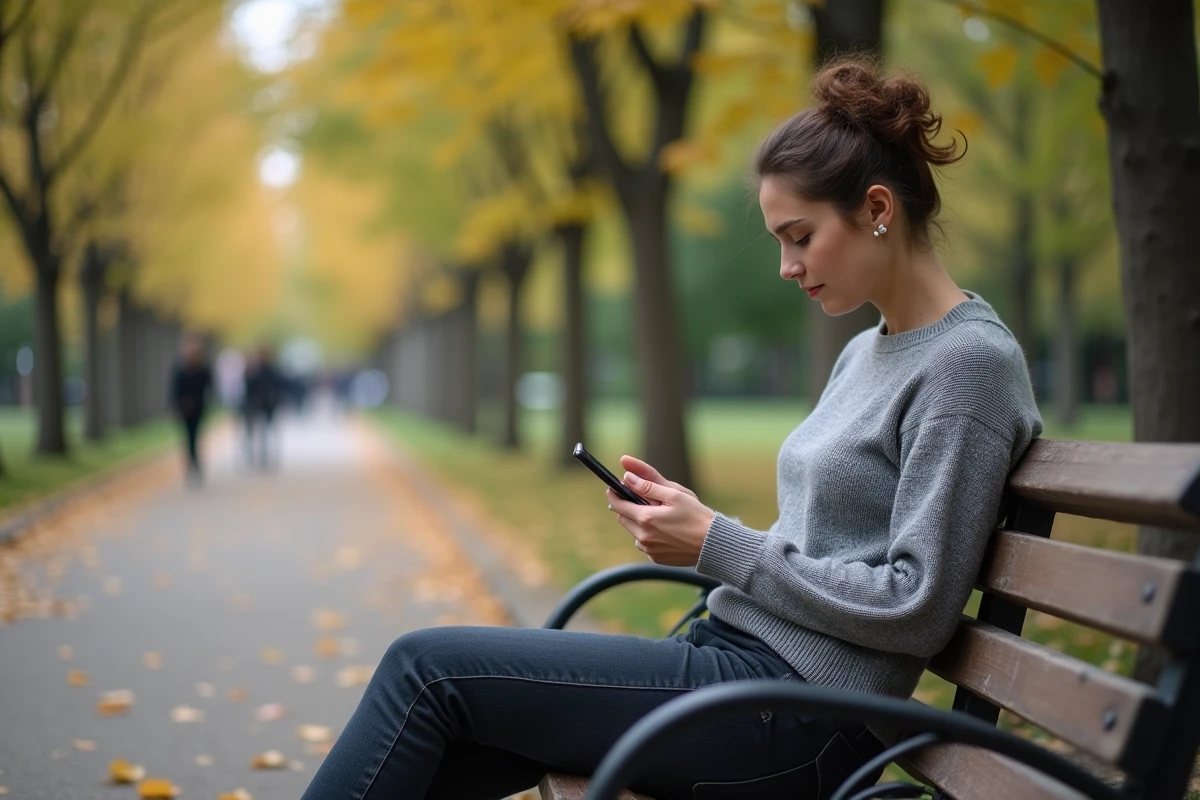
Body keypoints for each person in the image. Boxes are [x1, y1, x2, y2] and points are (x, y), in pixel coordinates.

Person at [302, 58, 1043, 800]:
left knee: (424, 669)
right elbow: (825, 549)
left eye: (799, 236)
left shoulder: (967, 365)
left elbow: (915, 606)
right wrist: (699, 534)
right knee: (434, 745)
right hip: (740, 670)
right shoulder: (867, 350)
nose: (787, 266)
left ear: (877, 208)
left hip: (797, 716)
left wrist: (715, 542)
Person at [169, 333, 214, 487]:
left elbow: (209, 388)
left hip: (198, 409)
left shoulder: (203, 369)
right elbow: (174, 390)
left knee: (195, 438)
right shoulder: (179, 368)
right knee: (187, 439)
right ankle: (193, 465)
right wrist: (176, 405)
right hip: (184, 409)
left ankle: (194, 465)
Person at [241, 345, 286, 471]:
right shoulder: (253, 371)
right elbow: (248, 387)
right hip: (256, 404)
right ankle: (255, 453)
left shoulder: (272, 370)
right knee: (254, 431)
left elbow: (278, 386)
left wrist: (274, 397)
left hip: (268, 404)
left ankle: (264, 455)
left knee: (266, 431)